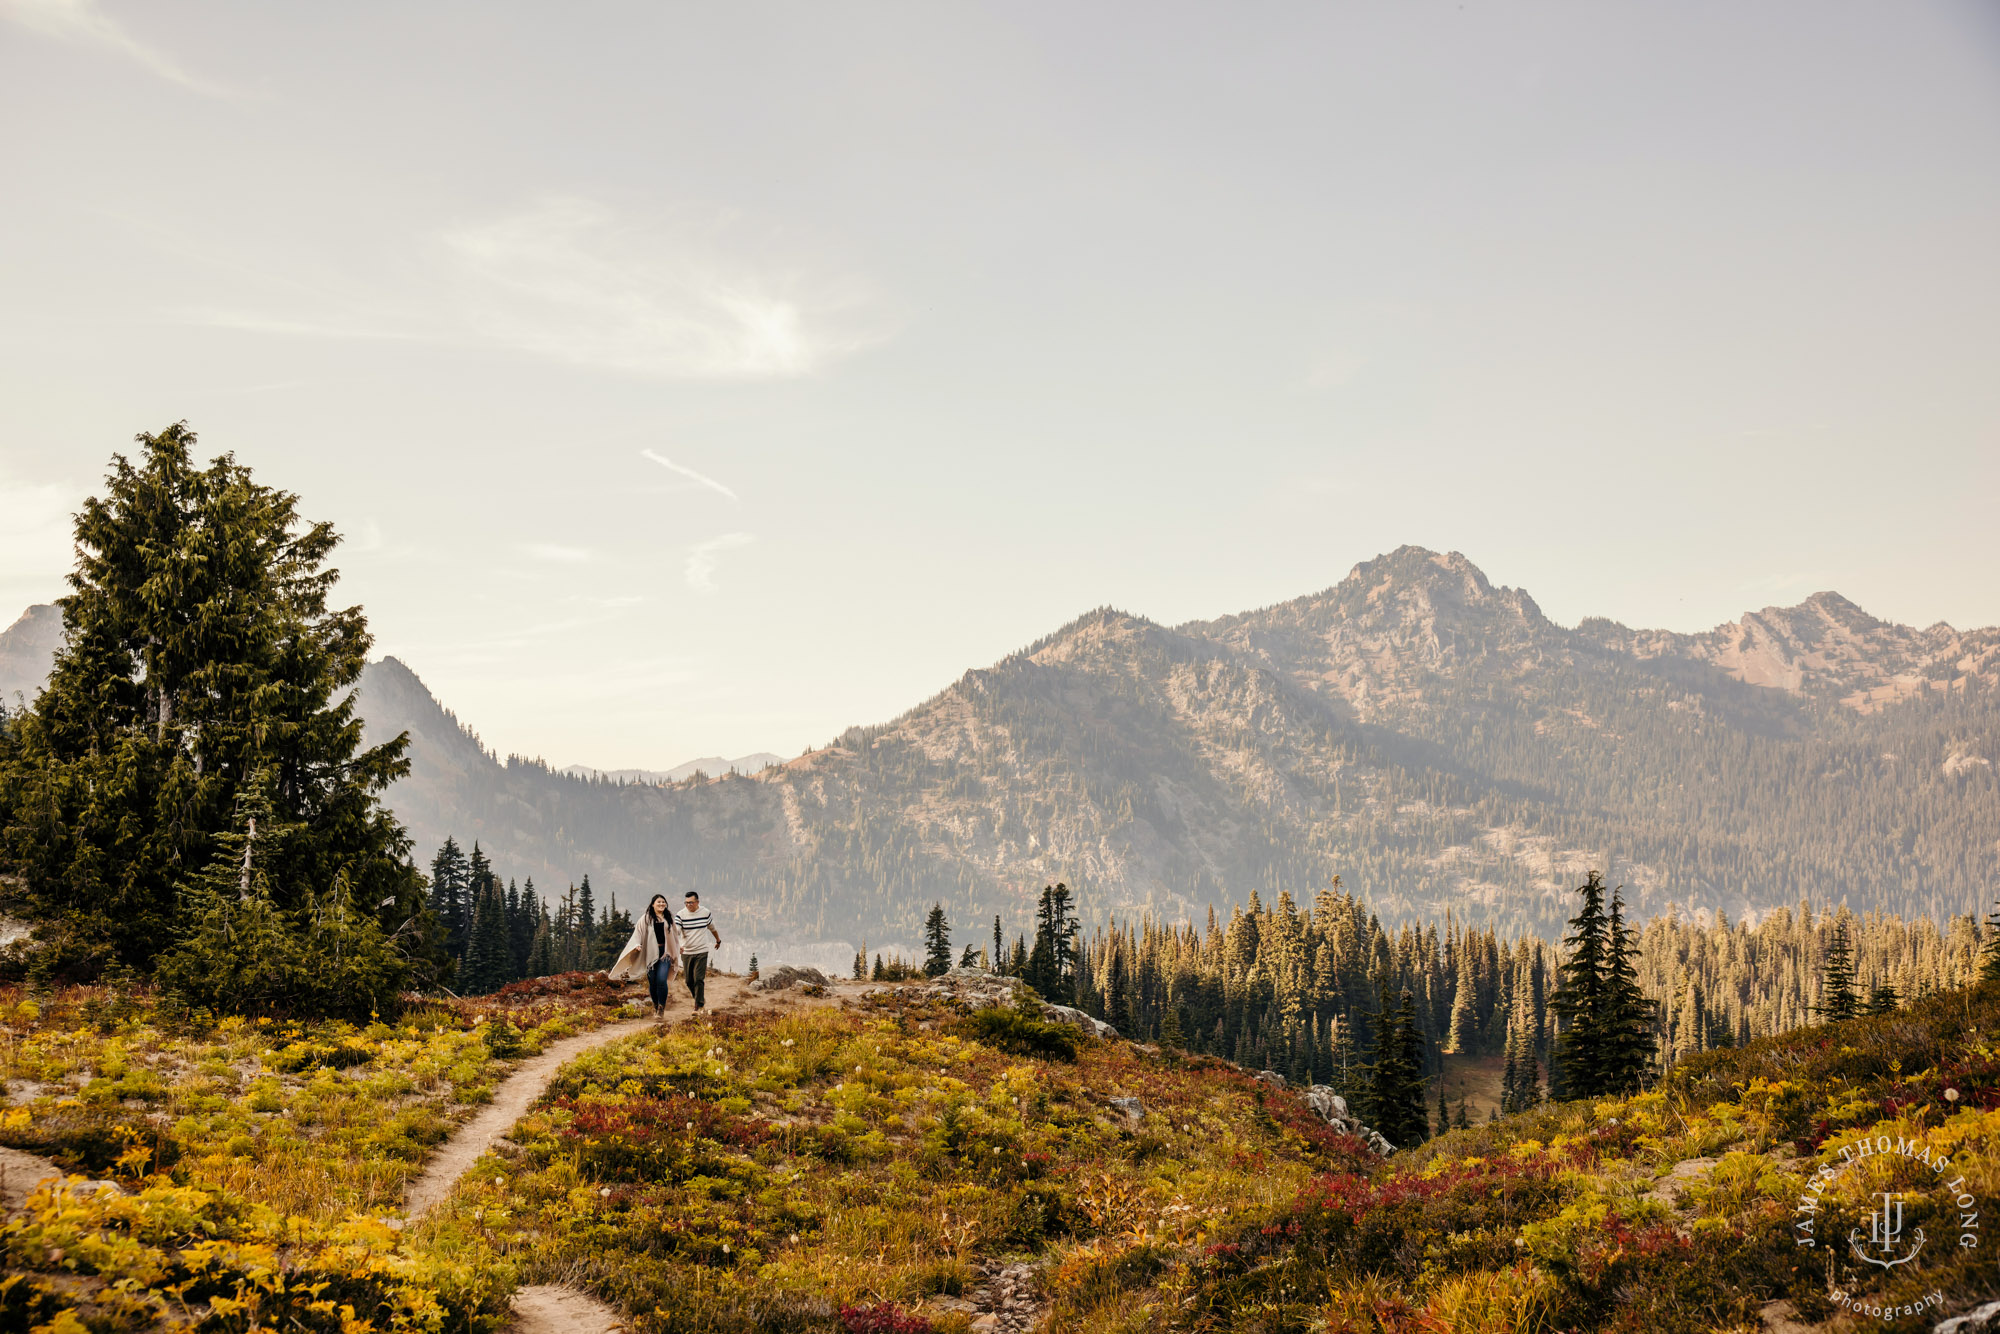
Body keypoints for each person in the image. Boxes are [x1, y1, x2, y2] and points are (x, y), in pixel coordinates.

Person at [610, 894, 680, 1018]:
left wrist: (678, 947)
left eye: (663, 902)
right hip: (650, 954)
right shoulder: (646, 919)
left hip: (665, 953)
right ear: (653, 904)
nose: (661, 904)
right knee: (652, 982)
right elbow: (638, 933)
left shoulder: (669, 919)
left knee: (661, 980)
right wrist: (637, 944)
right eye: (658, 902)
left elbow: (675, 935)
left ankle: (661, 1009)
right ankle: (655, 1005)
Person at [674, 890, 722, 1011]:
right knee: (689, 981)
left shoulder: (705, 913)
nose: (688, 905)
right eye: (686, 903)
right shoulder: (680, 915)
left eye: (691, 902)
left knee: (699, 979)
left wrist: (718, 940)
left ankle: (699, 1005)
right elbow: (677, 931)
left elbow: (712, 928)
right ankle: (699, 998)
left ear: (697, 902)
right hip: (687, 952)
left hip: (701, 950)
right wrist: (676, 945)